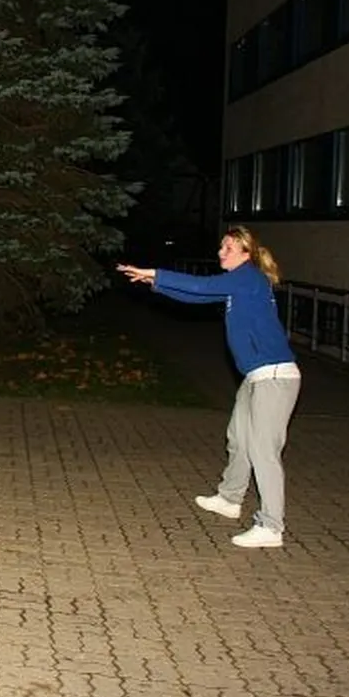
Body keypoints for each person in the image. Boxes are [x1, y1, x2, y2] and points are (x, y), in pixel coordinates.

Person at [117, 226, 300, 549]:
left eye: (227, 248)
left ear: (246, 253)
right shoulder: (238, 285)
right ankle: (230, 499)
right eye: (220, 247)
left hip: (274, 376)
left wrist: (157, 272)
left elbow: (202, 285)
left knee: (262, 450)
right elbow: (196, 295)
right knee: (239, 439)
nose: (220, 253)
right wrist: (156, 283)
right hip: (256, 377)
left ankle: (272, 526)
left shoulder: (249, 278)